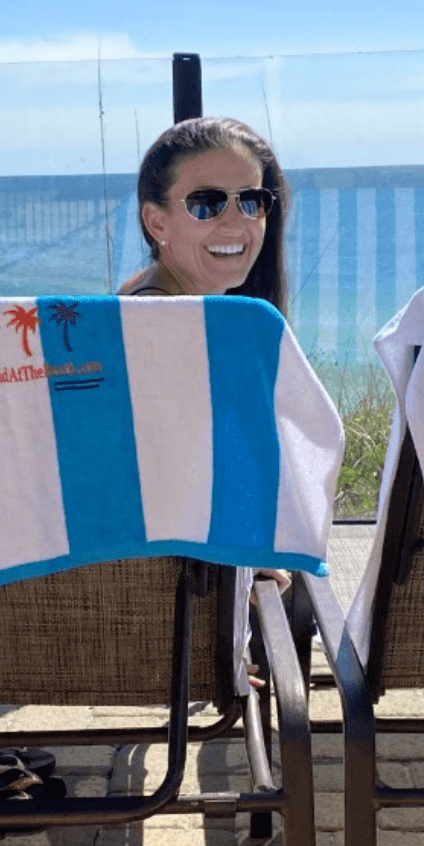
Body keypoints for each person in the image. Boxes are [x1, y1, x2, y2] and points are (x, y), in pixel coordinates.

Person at [119, 117, 296, 685]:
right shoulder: (189, 334)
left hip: (129, 603)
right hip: (173, 621)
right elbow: (182, 496)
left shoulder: (131, 306)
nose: (236, 220)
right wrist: (236, 599)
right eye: (206, 203)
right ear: (157, 220)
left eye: (252, 200)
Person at [117, 117, 290, 315]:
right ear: (157, 224)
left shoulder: (145, 291)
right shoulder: (164, 319)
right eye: (206, 204)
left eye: (250, 201)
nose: (235, 226)